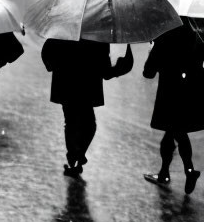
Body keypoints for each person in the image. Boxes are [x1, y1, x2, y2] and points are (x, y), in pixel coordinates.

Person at [42, 38, 134, 177]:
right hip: (87, 87)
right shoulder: (98, 37)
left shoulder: (65, 30)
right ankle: (77, 156)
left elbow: (47, 53)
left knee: (72, 122)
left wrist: (57, 65)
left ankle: (74, 156)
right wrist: (121, 68)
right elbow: (106, 72)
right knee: (88, 125)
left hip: (66, 84)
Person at [142, 18, 204, 194]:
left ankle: (189, 170)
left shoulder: (165, 36)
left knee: (176, 131)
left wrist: (152, 50)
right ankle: (164, 173)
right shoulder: (198, 35)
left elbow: (148, 72)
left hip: (170, 93)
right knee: (171, 134)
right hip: (190, 93)